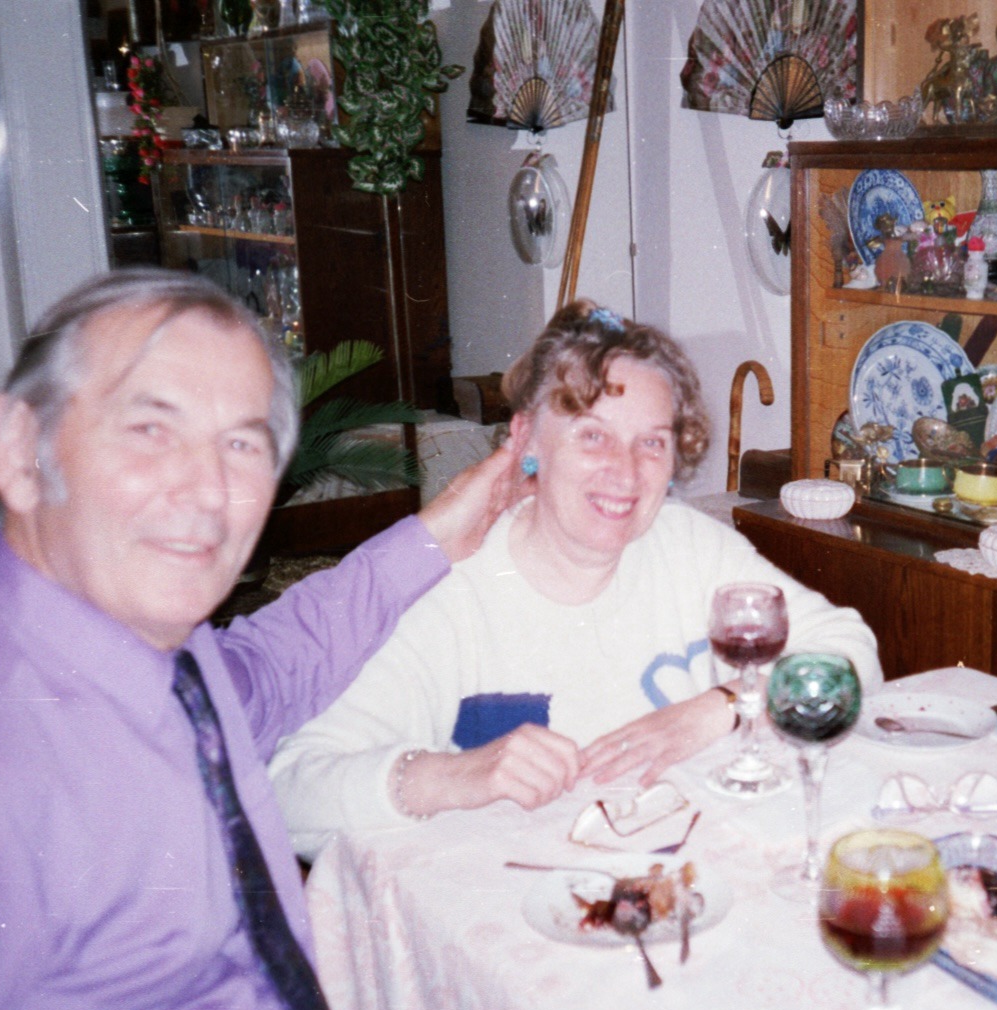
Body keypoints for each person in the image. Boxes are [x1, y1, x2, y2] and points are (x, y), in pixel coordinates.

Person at [0, 269, 521, 1010]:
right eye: (150, 428)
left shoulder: (165, 655)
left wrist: (438, 534)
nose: (209, 491)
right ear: (19, 451)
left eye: (241, 444)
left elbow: (271, 665)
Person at [269, 301, 881, 858]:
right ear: (526, 440)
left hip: (688, 886)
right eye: (593, 435)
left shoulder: (688, 545)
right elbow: (288, 791)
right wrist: (454, 776)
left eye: (652, 442)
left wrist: (720, 709)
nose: (626, 471)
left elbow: (852, 657)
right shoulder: (448, 589)